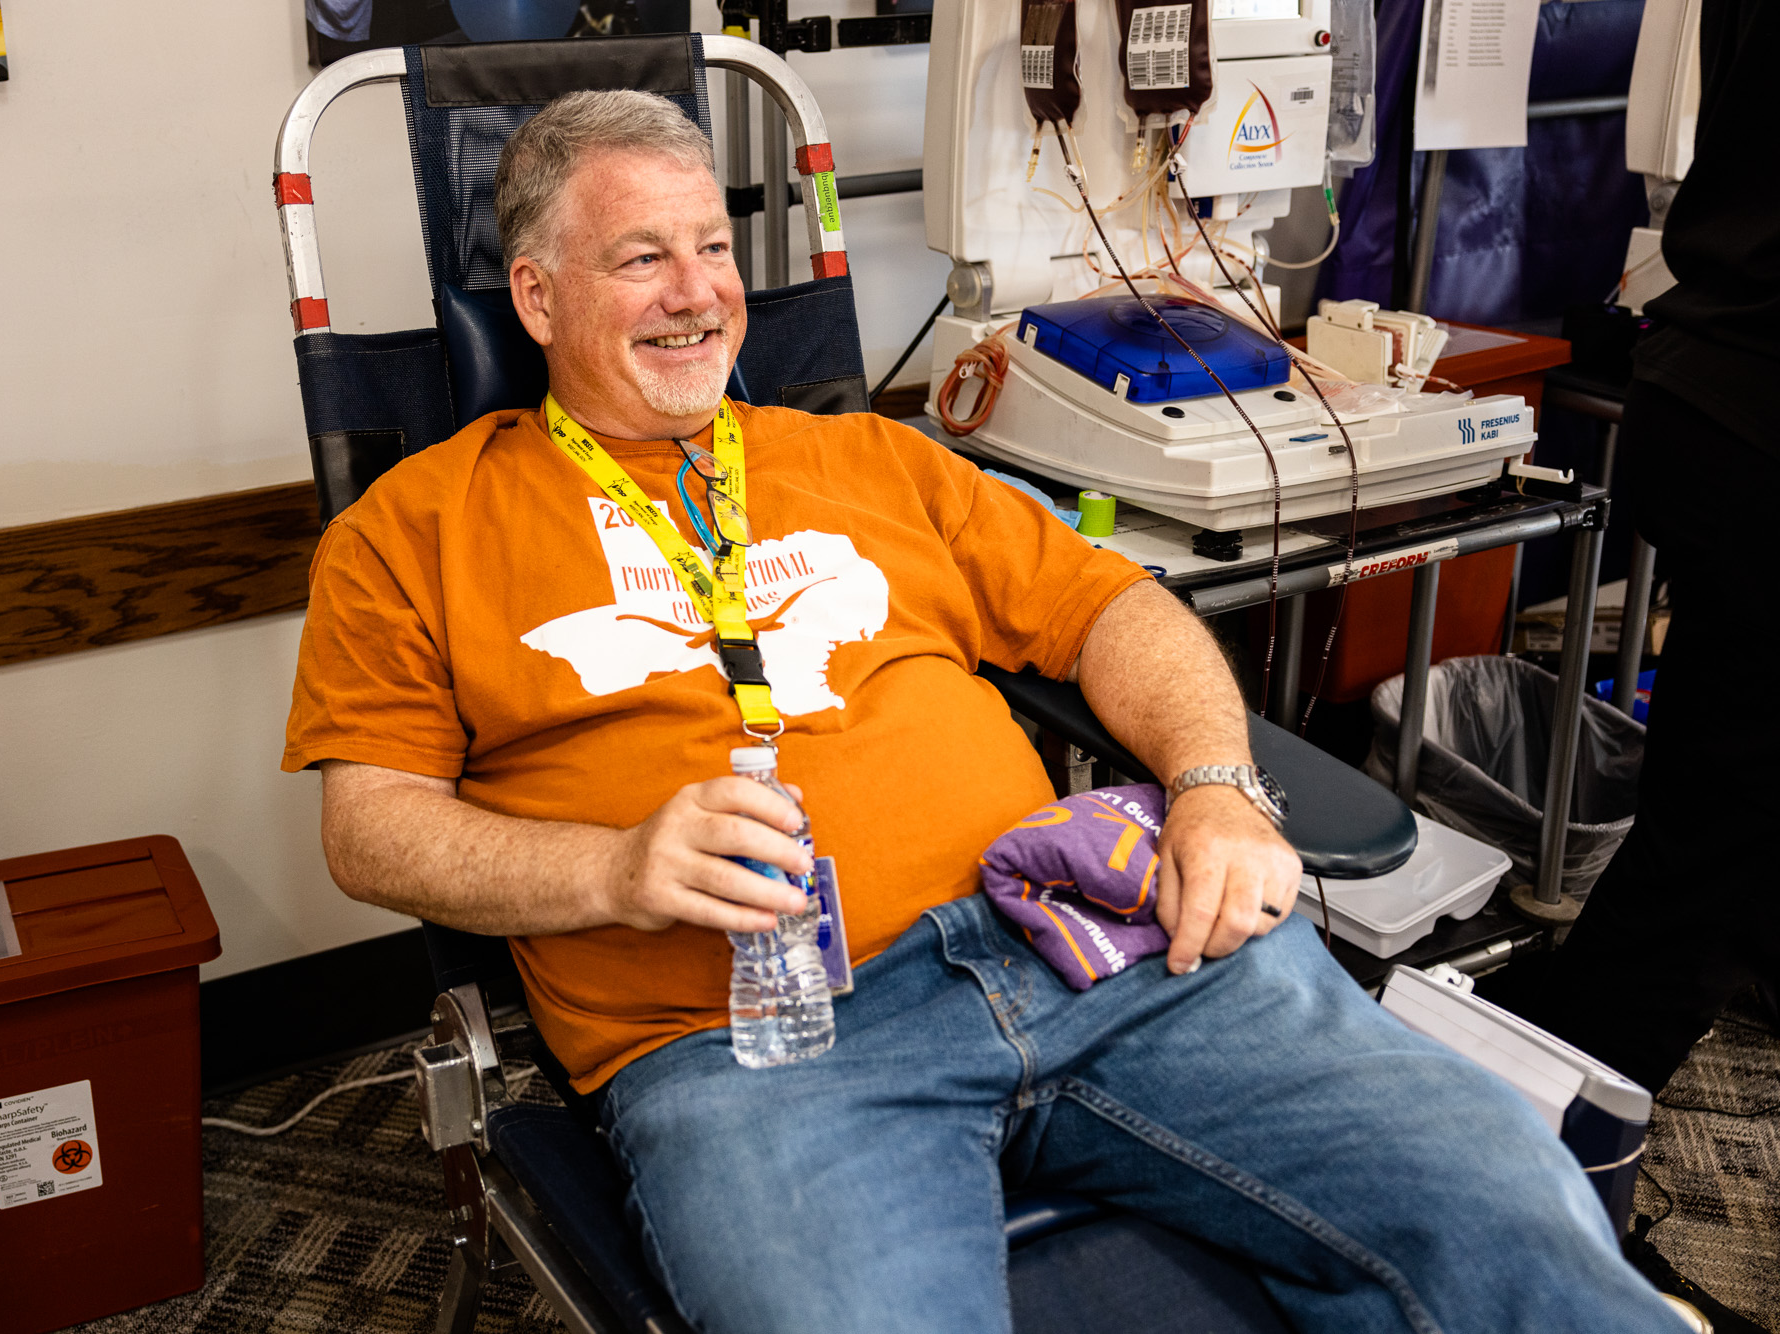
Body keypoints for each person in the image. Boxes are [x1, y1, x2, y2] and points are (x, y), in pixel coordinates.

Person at [283, 90, 1681, 1333]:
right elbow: (372, 826)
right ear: (535, 299)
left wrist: (1211, 784)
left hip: (1088, 947)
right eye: (640, 256)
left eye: (712, 246)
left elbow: (1122, 610)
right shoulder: (416, 530)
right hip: (758, 1045)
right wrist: (612, 867)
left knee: (1501, 1190)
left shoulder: (871, 460)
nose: (698, 292)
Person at [1480, 0, 1780, 1095]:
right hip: (1750, 412)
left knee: (1712, 808)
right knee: (1708, 842)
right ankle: (1541, 1104)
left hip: (1707, 387)